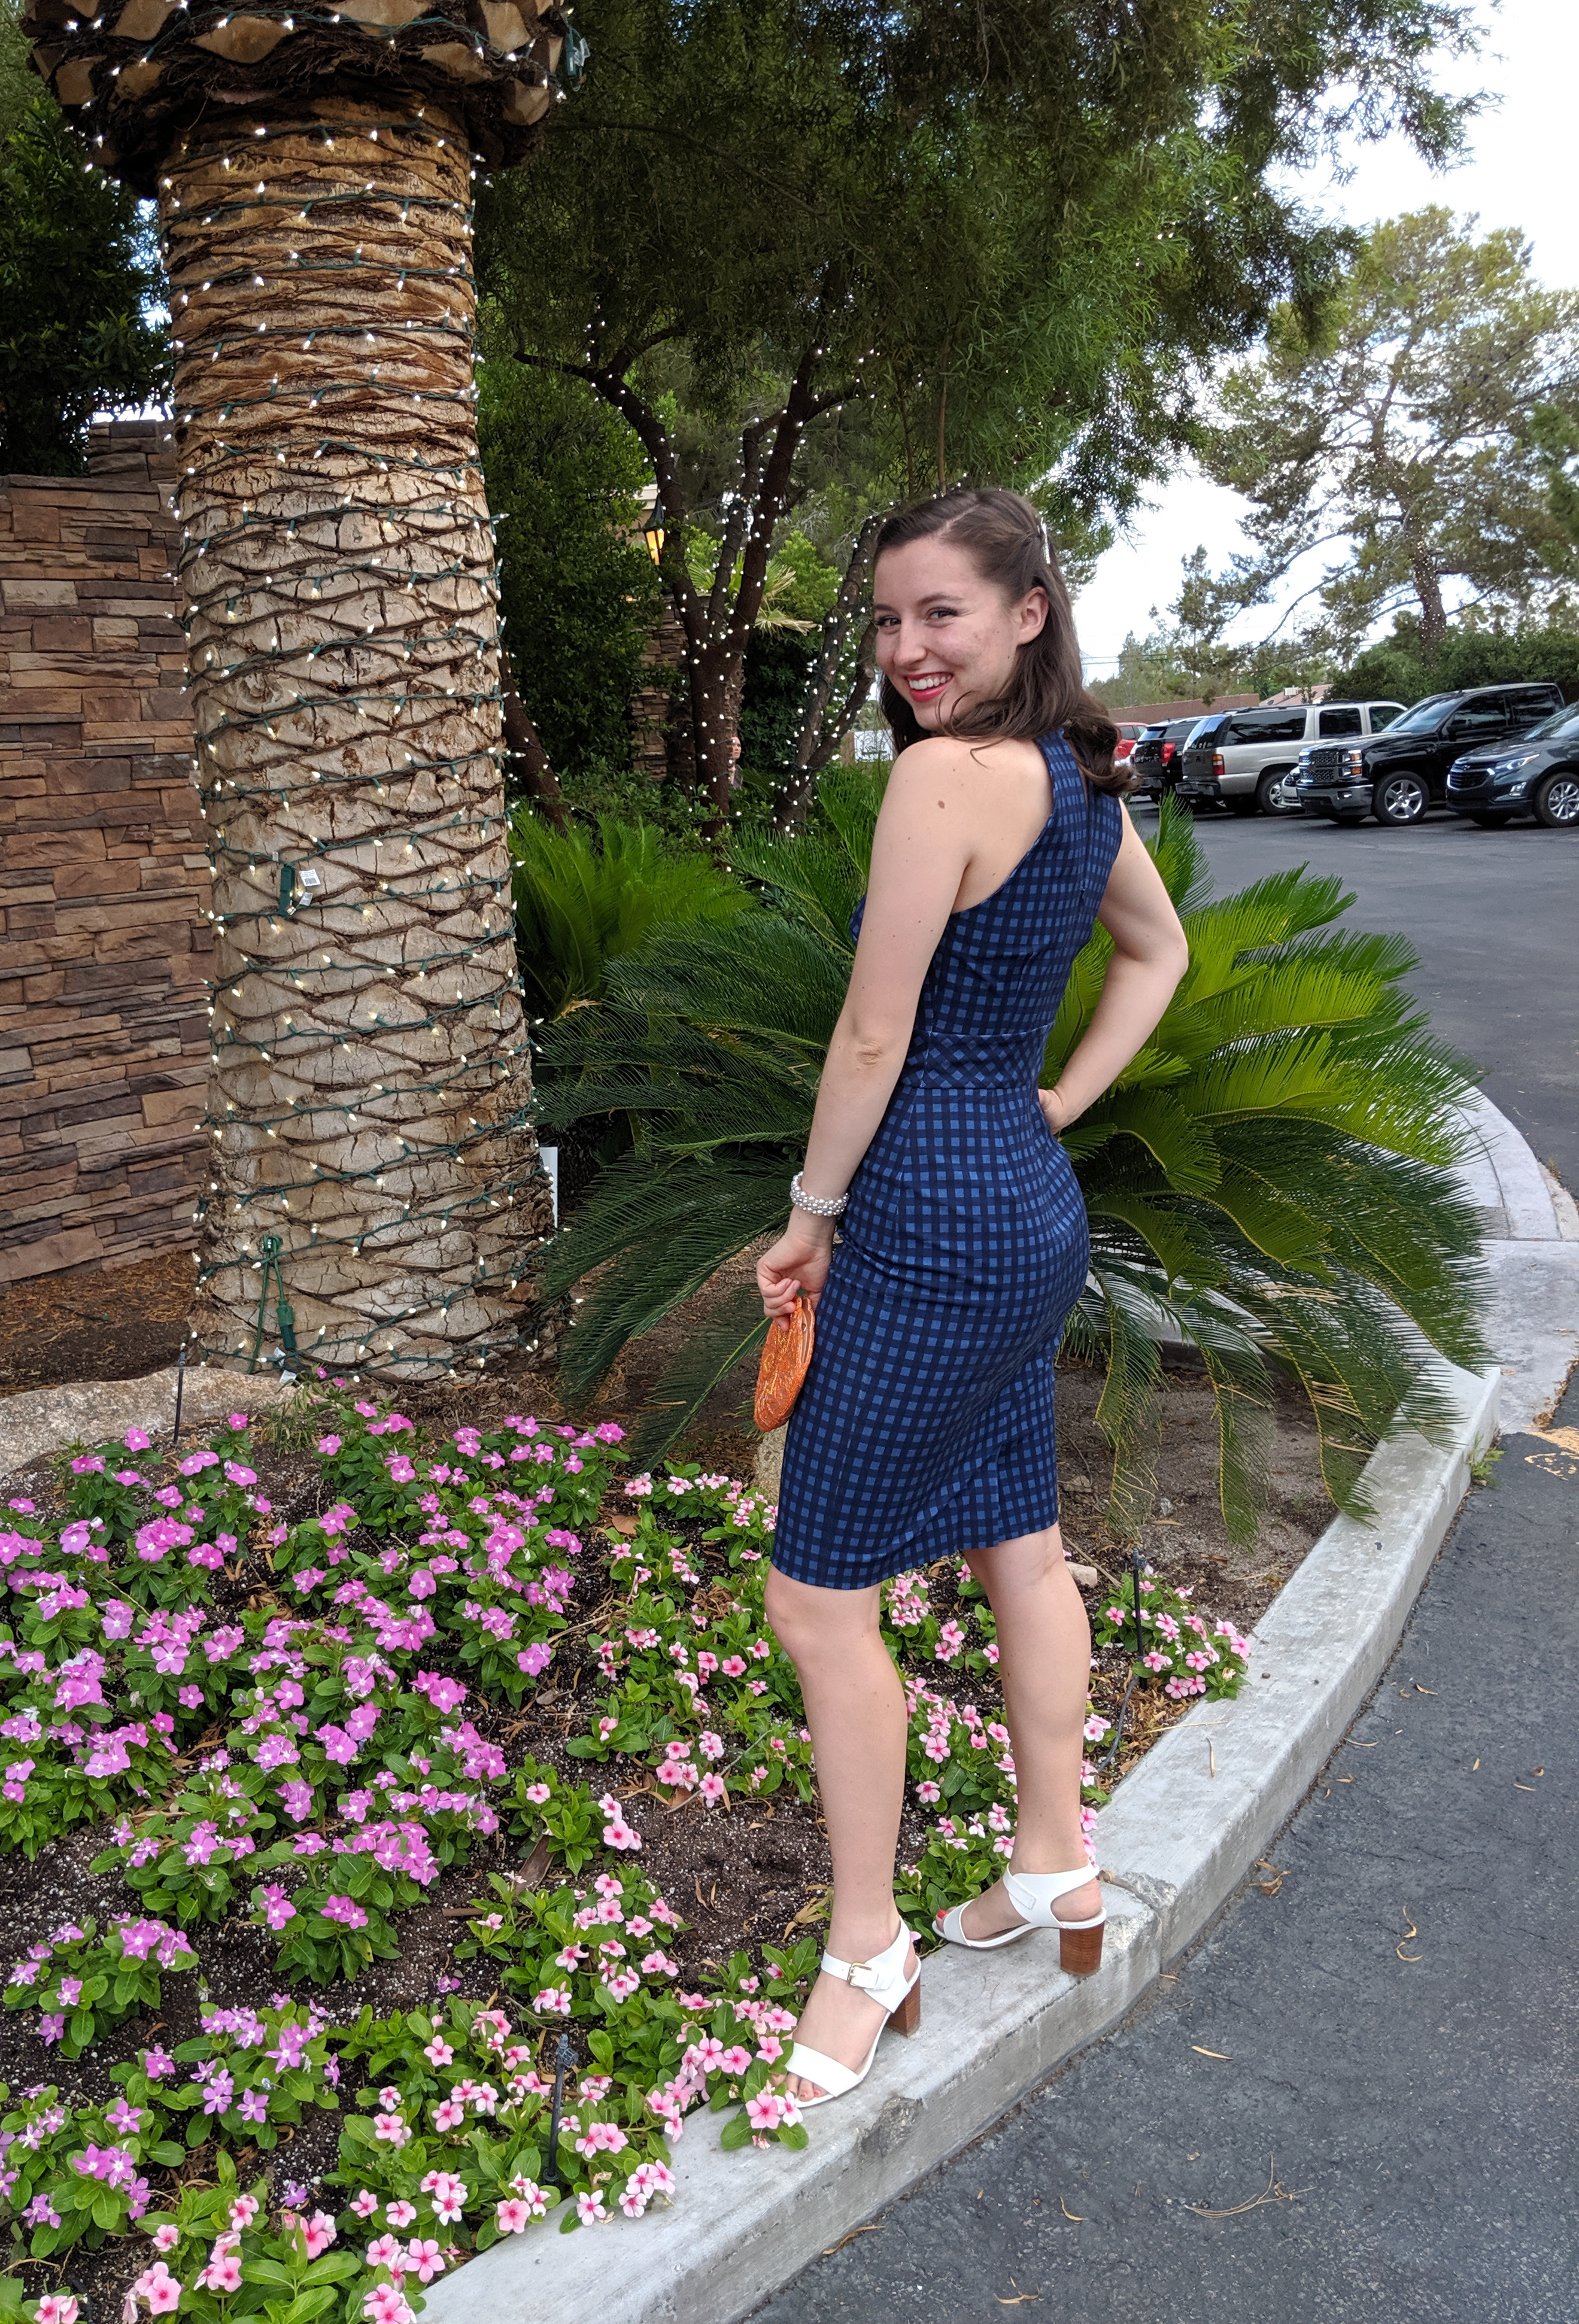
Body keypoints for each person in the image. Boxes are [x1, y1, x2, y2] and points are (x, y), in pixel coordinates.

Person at [755, 488, 1189, 2108]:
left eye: (939, 611)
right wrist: (1056, 1105)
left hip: (932, 1224)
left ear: (1026, 610)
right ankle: (1058, 1861)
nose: (904, 649)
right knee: (1022, 1534)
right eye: (884, 620)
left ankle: (867, 1943)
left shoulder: (946, 779)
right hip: (1025, 1210)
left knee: (816, 1598)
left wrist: (811, 1215)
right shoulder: (1083, 786)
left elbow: (870, 1041)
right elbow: (1161, 958)